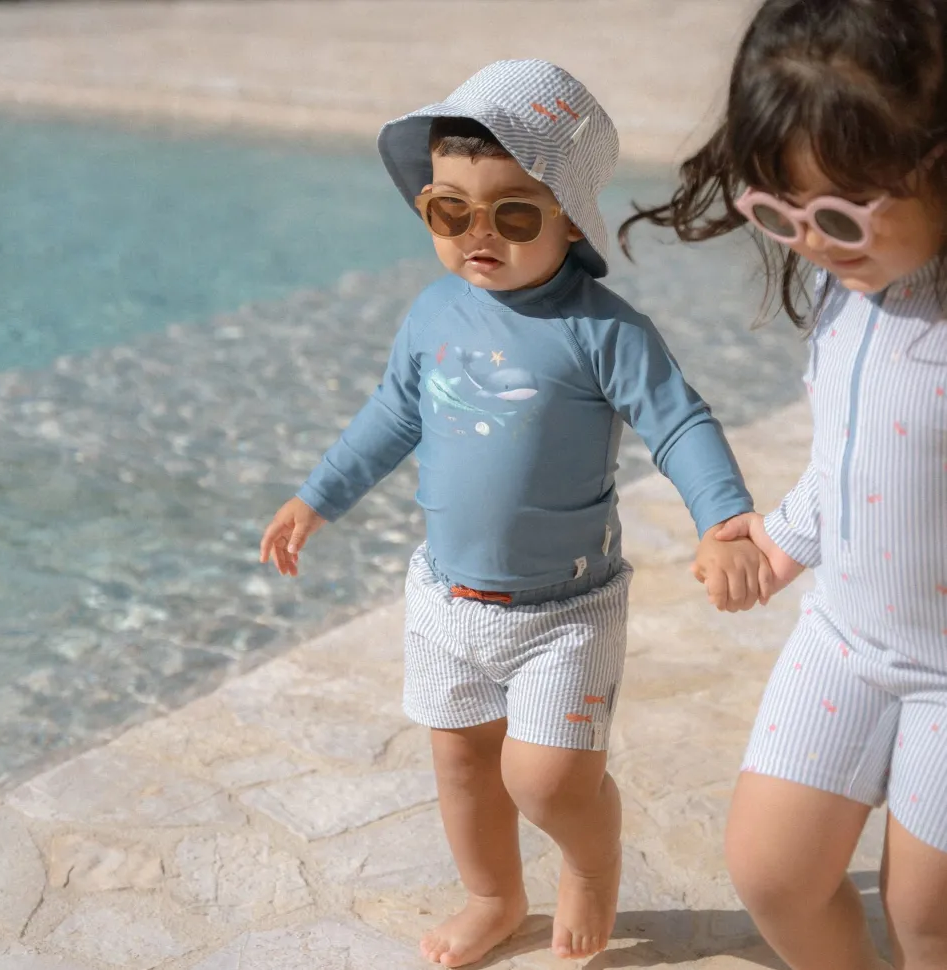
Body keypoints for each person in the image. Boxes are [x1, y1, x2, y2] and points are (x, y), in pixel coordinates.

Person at [260, 58, 767, 967]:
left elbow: (679, 421)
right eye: (449, 211)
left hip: (564, 611)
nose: (478, 235)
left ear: (569, 220)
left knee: (548, 781)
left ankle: (591, 863)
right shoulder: (432, 314)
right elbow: (392, 415)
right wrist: (317, 496)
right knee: (461, 764)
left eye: (514, 214)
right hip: (447, 599)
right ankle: (493, 896)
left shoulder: (603, 330)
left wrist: (723, 520)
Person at [620, 2, 947, 968]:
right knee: (772, 870)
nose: (811, 243)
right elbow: (856, 458)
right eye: (778, 212)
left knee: (927, 913)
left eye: (841, 214)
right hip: (846, 636)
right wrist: (780, 539)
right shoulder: (853, 289)